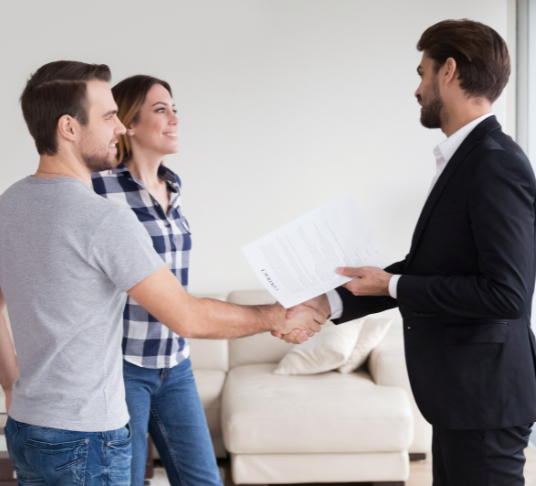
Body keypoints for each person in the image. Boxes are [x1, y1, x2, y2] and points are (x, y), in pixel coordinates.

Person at [0, 60, 326, 485]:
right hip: (86, 436)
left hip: (28, 424)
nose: (119, 128)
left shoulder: (10, 203)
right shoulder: (103, 219)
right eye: (109, 116)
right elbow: (186, 316)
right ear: (69, 127)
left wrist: (13, 386)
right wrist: (275, 316)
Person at [283, 19, 536, 485]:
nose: (416, 89)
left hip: (484, 398)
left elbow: (507, 294)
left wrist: (394, 283)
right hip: (464, 398)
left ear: (449, 71)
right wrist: (329, 300)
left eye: (422, 73)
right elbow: (435, 269)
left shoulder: (495, 163)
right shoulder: (467, 158)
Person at [92, 74, 235, 484]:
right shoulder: (98, 188)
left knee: (203, 480)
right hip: (122, 365)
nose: (174, 118)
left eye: (175, 109)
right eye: (160, 110)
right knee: (128, 479)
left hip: (175, 363)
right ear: (128, 123)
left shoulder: (172, 186)